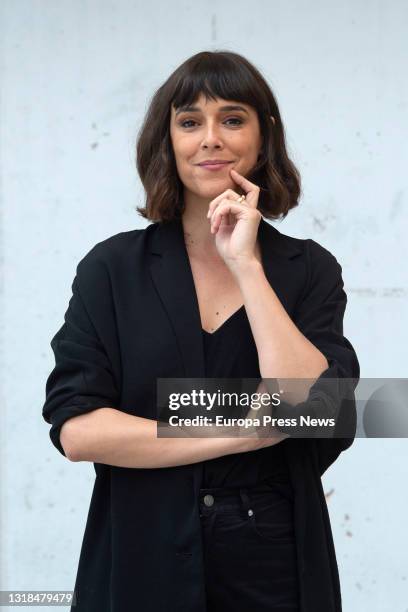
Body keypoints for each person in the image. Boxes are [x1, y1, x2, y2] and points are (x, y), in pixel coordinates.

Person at [42, 50, 360, 612]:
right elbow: (79, 431)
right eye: (190, 122)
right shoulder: (112, 269)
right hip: (143, 554)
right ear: (168, 141)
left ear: (265, 137)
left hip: (276, 564)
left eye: (232, 119)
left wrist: (246, 265)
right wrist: (245, 430)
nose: (210, 138)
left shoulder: (308, 270)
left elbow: (317, 410)